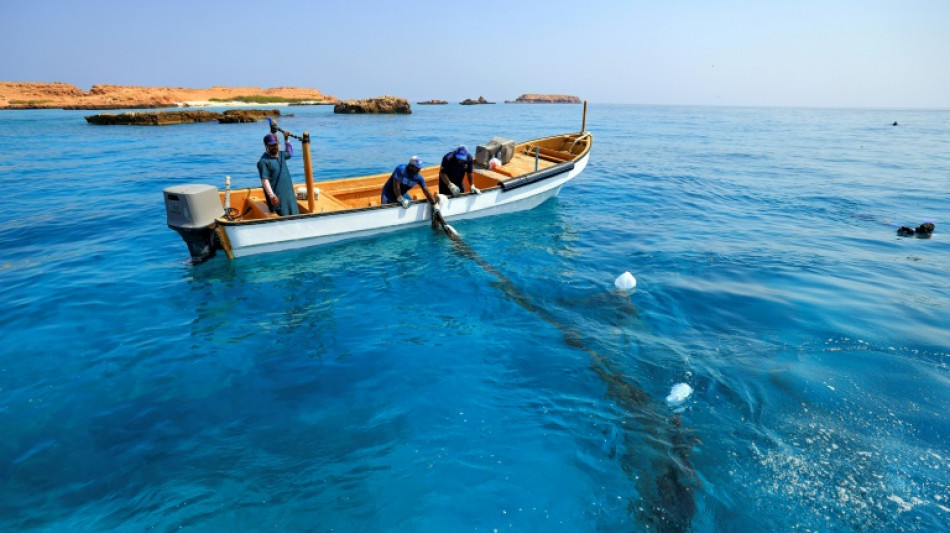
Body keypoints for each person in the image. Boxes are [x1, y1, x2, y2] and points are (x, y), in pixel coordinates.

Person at [257, 131, 298, 216]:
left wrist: (286, 140)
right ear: (266, 146)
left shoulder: (281, 155)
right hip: (277, 196)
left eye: (275, 144)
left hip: (289, 193)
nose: (274, 147)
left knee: (294, 213)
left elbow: (290, 153)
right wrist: (271, 196)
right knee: (282, 214)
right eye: (271, 145)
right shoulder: (264, 162)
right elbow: (265, 180)